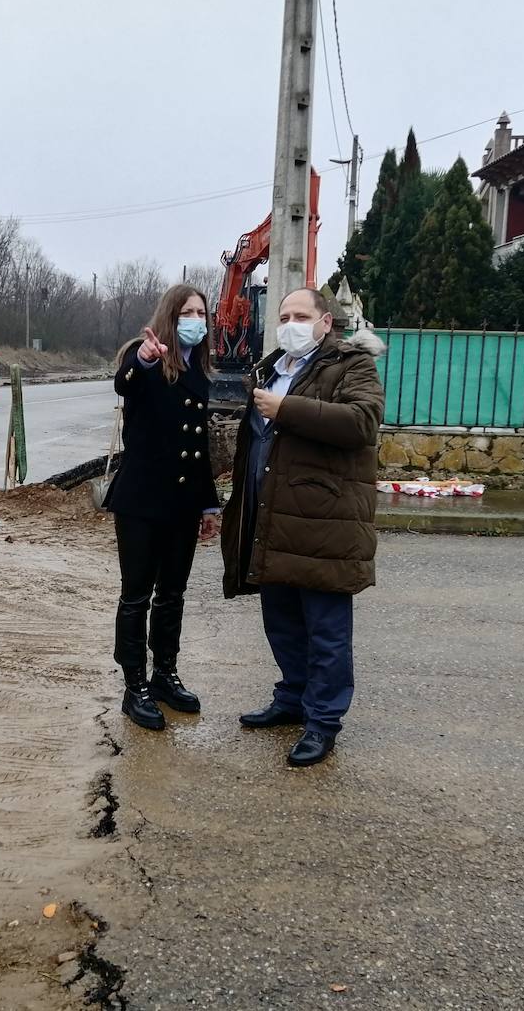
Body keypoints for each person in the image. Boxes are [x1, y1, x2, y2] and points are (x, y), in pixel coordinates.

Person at [220, 288, 385, 767]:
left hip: (323, 523)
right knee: (283, 624)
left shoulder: (351, 365)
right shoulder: (271, 368)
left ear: (325, 322)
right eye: (284, 316)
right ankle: (292, 699)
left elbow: (362, 422)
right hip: (272, 520)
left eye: (301, 315)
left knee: (327, 633)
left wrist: (286, 409)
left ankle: (322, 722)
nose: (290, 323)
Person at [102, 283, 221, 731]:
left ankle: (164, 675)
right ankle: (135, 687)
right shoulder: (146, 357)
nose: (196, 319)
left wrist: (208, 506)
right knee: (136, 596)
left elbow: (199, 447)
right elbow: (124, 383)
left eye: (201, 312)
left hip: (182, 504)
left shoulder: (199, 370)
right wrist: (145, 360)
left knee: (172, 595)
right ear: (171, 316)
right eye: (188, 311)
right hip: (141, 500)